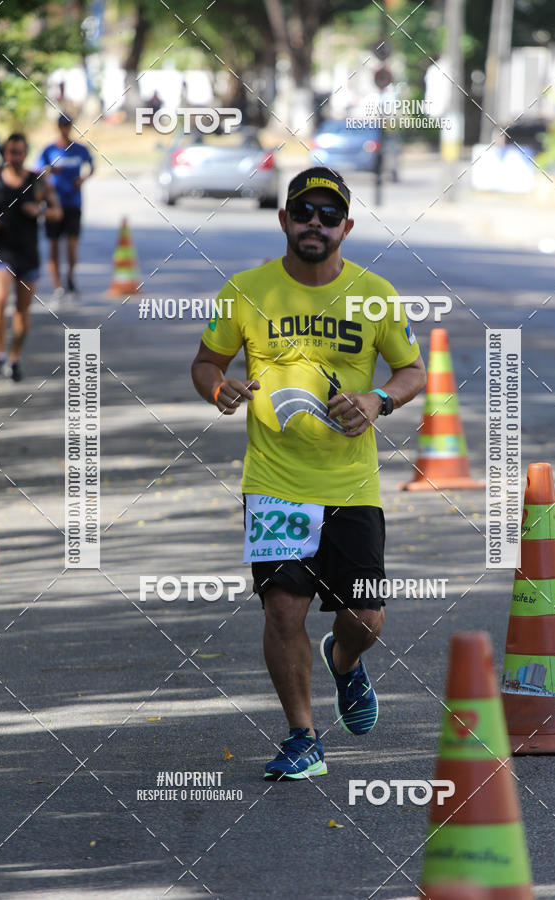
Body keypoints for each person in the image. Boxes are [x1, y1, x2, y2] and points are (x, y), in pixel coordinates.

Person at [191, 166, 426, 780]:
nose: (315, 223)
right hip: (274, 481)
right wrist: (219, 387)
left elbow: (412, 372)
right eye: (304, 213)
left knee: (365, 618)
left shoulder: (375, 293)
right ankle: (303, 737)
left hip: (351, 483)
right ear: (284, 221)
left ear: (346, 225)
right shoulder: (245, 291)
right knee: (283, 608)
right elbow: (206, 361)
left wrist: (379, 401)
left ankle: (345, 663)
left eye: (328, 214)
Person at [0, 133, 62, 382]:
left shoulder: (37, 182)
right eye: (11, 152)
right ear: (5, 153)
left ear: (26, 153)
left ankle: (13, 359)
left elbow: (57, 212)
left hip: (27, 253)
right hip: (1, 251)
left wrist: (41, 210)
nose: (15, 157)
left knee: (22, 312)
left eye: (20, 152)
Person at [36, 113, 94, 306]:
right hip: (54, 204)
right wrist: (49, 172)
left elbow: (91, 166)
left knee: (71, 244)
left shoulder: (79, 150)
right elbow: (37, 171)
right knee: (53, 245)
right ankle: (57, 285)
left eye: (68, 125)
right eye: (62, 125)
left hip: (73, 203)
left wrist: (83, 179)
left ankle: (70, 277)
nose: (65, 128)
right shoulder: (49, 150)